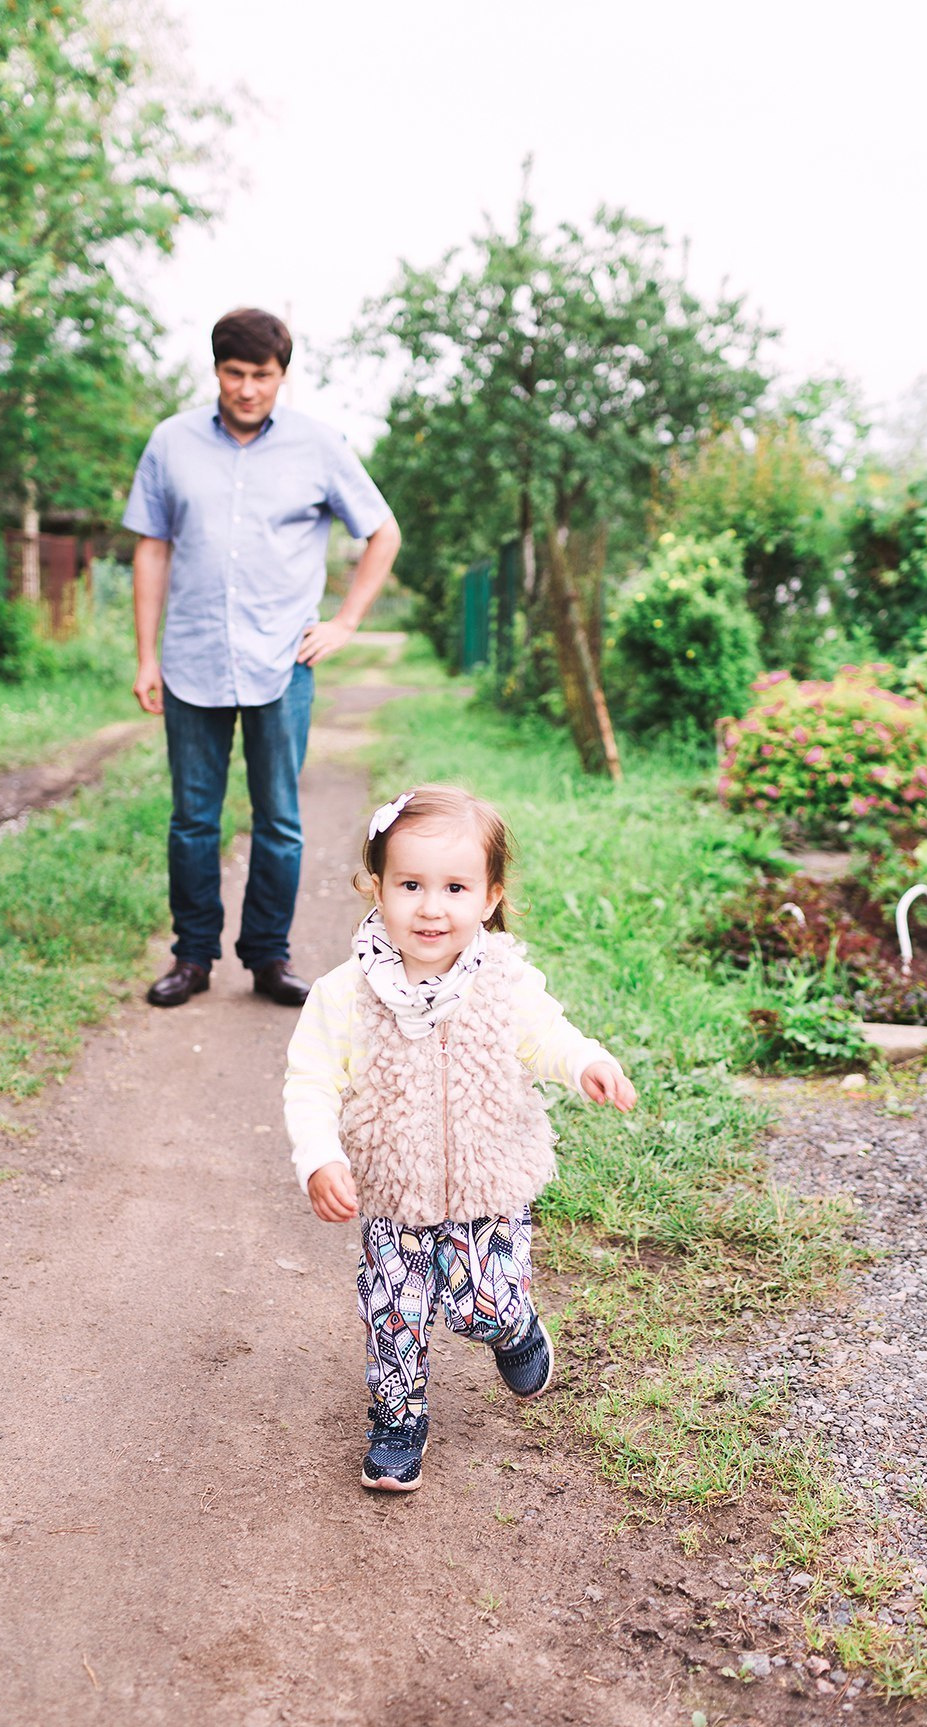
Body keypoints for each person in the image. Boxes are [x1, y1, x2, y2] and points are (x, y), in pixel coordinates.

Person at [282, 784, 637, 1491]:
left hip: (488, 1183)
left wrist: (586, 1061)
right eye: (410, 884)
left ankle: (515, 1326)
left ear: (490, 894)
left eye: (454, 887)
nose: (431, 906)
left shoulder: (503, 981)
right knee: (395, 1315)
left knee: (484, 1303)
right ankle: (397, 1419)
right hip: (395, 1194)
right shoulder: (345, 993)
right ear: (375, 886)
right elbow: (311, 1081)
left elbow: (545, 1036)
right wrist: (320, 1156)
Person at [123, 306, 403, 1009]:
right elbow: (151, 547)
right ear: (216, 369)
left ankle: (269, 957)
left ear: (282, 375)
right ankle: (191, 957)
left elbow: (383, 532)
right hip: (190, 659)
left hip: (283, 661)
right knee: (193, 818)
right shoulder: (171, 442)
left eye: (263, 376)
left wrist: (345, 621)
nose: (248, 389)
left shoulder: (319, 445)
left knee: (279, 817)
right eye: (234, 373)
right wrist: (144, 655)